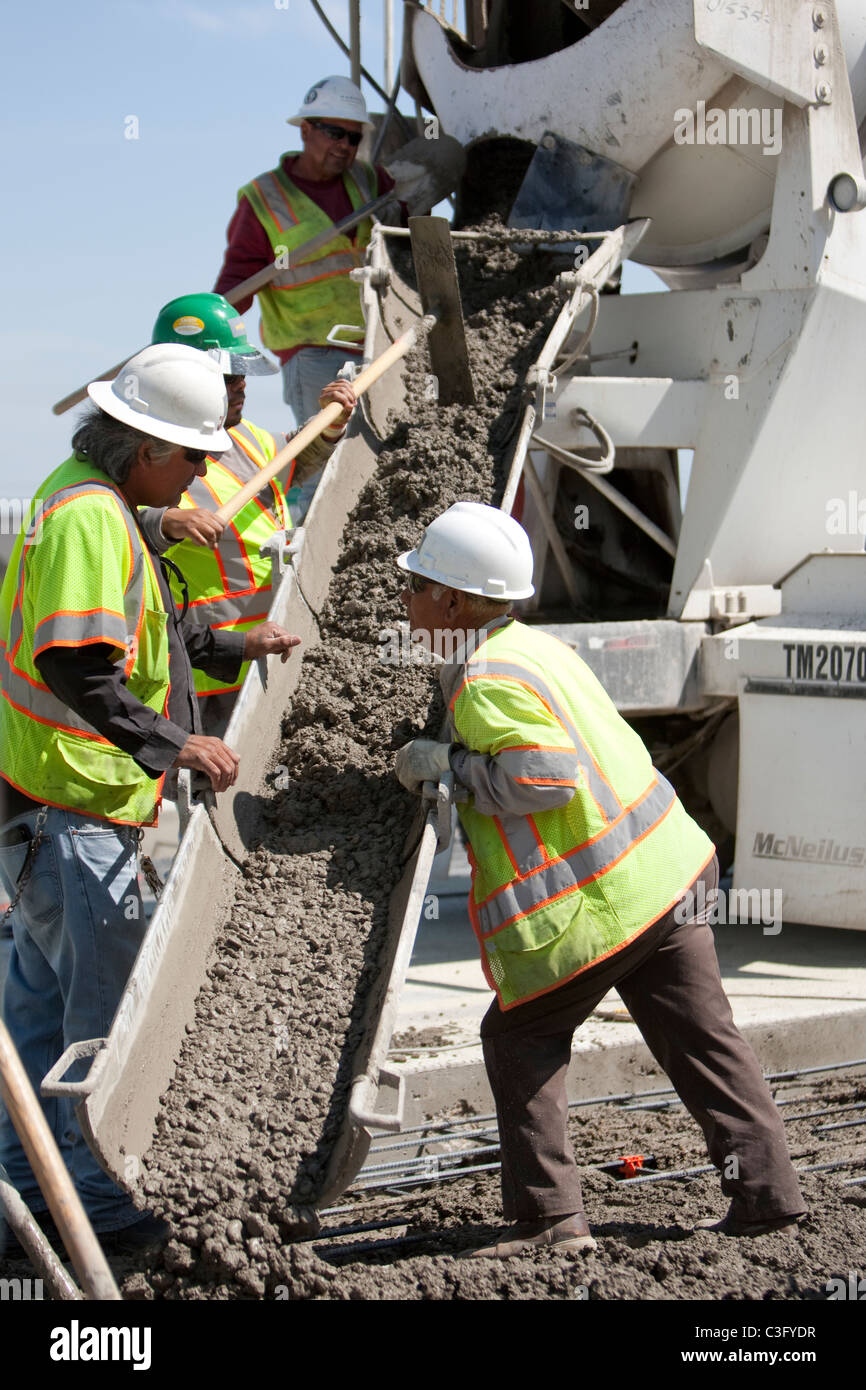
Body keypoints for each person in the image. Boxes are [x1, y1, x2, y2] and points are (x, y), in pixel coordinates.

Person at [394, 502, 806, 1258]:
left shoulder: (485, 679)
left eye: (417, 587)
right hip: (670, 870)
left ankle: (551, 1222)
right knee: (705, 1041)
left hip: (609, 903)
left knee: (518, 1038)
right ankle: (766, 1196)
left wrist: (448, 767)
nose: (409, 603)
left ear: (454, 601)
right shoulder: (535, 649)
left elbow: (547, 776)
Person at [0, 344, 300, 1257]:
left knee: (39, 1011)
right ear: (143, 451)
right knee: (101, 1019)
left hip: (46, 809)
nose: (208, 474)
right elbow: (78, 667)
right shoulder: (92, 520)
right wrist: (181, 744)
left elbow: (150, 629)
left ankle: (25, 1196)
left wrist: (233, 642)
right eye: (196, 458)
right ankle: (101, 1207)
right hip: (74, 806)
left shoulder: (98, 505)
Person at [139, 293, 356, 736]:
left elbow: (296, 459)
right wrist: (164, 522)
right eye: (226, 376)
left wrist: (328, 425)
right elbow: (114, 518)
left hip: (274, 649)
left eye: (241, 374)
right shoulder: (151, 455)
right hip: (207, 670)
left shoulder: (249, 438)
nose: (240, 386)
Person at [213, 76, 394, 455]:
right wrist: (204, 329)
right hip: (314, 353)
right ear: (306, 130)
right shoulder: (265, 199)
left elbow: (406, 237)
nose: (344, 146)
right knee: (323, 459)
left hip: (378, 344)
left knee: (380, 456)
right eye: (333, 133)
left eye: (353, 137)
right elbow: (236, 286)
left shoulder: (369, 180)